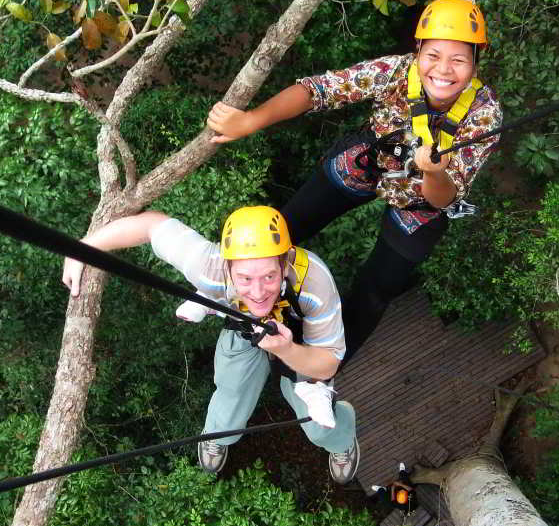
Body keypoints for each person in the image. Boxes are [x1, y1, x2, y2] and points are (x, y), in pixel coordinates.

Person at [206, 0, 503, 364]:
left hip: (422, 200)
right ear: (418, 52)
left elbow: (442, 199)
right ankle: (243, 301)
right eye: (433, 55)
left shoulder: (484, 116)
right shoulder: (396, 72)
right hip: (372, 163)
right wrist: (251, 120)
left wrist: (435, 170)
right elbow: (319, 90)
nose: (443, 70)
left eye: (459, 60)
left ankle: (326, 362)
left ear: (476, 63)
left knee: (377, 289)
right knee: (285, 229)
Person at [61, 206, 360, 484]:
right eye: (244, 278)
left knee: (319, 419)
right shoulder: (208, 267)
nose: (257, 292)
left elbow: (328, 362)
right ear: (227, 268)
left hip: (301, 341)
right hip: (243, 329)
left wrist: (286, 350)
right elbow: (150, 225)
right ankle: (219, 434)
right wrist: (82, 248)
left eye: (269, 276)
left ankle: (341, 441)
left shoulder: (314, 282)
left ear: (285, 262)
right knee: (230, 390)